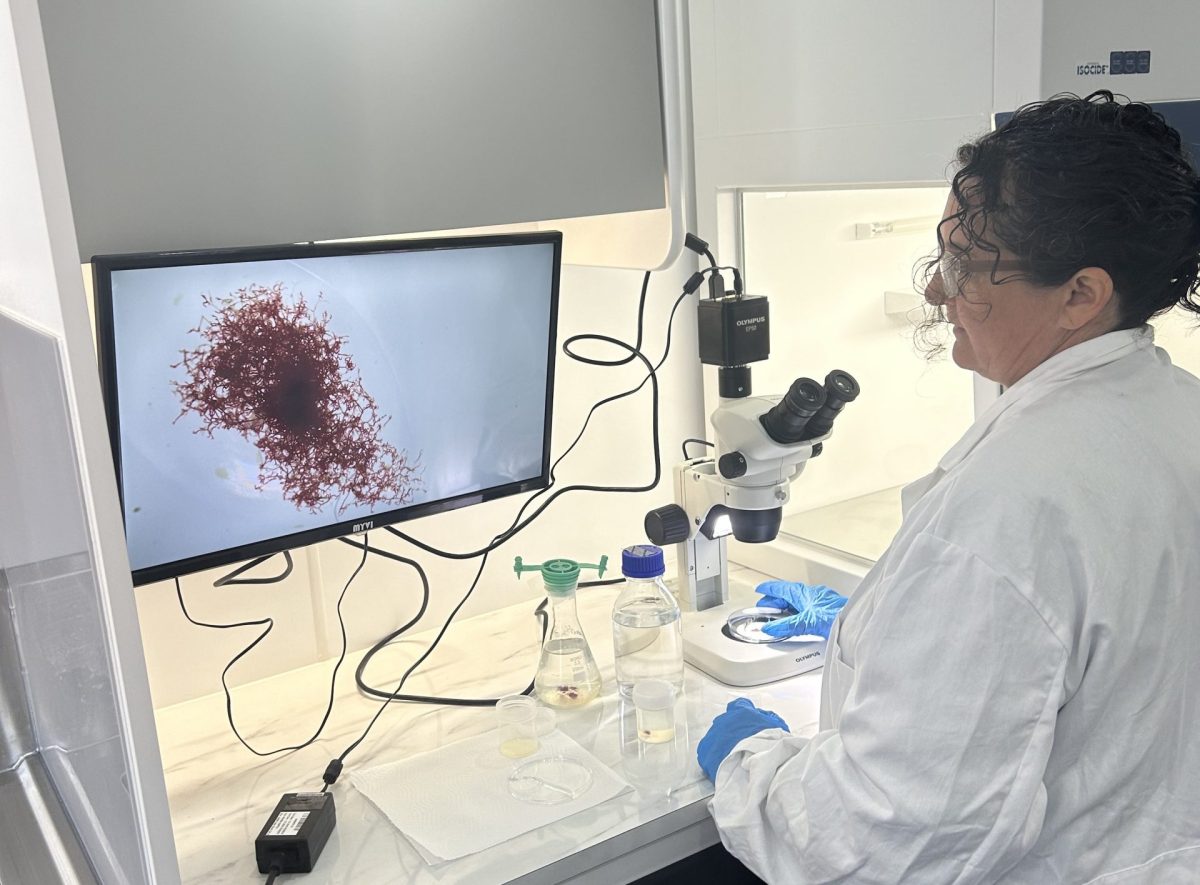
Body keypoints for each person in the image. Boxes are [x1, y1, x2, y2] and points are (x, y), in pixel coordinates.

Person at [696, 91, 1200, 883]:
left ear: (1081, 294)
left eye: (967, 266)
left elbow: (885, 842)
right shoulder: (1177, 409)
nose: (937, 291)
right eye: (944, 254)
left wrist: (752, 769)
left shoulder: (1013, 504)